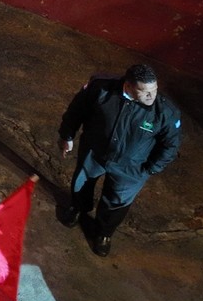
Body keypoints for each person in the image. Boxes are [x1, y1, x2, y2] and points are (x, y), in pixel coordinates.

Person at [57, 62, 181, 255]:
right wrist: (67, 136)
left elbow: (170, 144)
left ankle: (103, 233)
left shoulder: (164, 112)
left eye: (154, 89)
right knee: (82, 183)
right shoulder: (101, 89)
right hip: (94, 152)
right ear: (129, 86)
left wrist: (151, 168)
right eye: (145, 91)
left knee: (117, 201)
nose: (152, 96)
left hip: (132, 167)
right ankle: (78, 209)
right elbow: (76, 111)